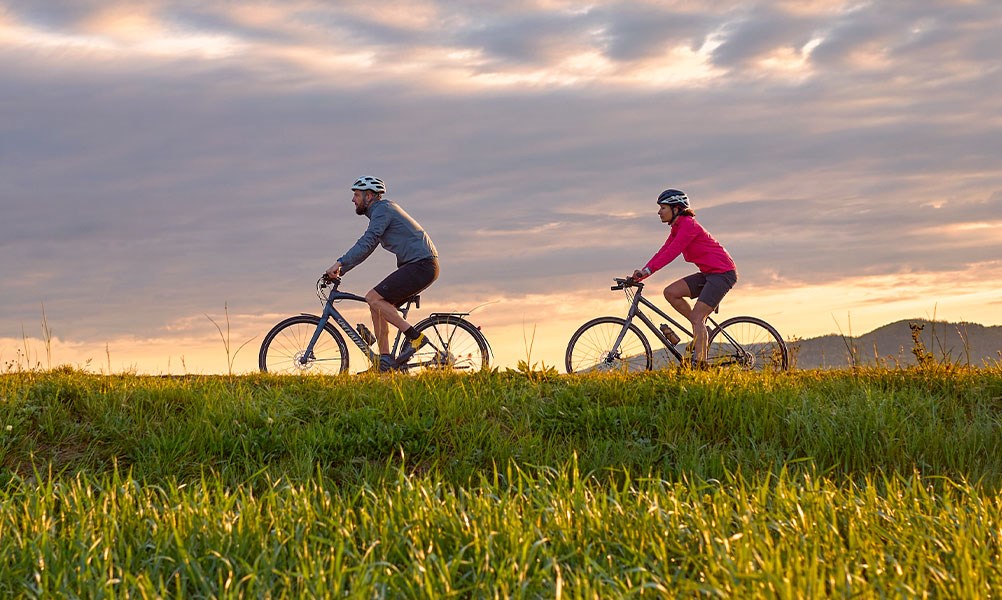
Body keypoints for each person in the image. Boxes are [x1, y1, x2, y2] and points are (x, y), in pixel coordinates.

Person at [326, 176, 439, 372]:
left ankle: (416, 337)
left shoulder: (382, 210)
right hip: (418, 265)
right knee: (376, 304)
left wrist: (340, 262)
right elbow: (367, 248)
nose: (353, 200)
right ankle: (384, 363)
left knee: (373, 297)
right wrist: (343, 268)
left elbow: (367, 242)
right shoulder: (382, 212)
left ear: (369, 196)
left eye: (356, 195)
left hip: (421, 265)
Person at [631, 189, 737, 368]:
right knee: (671, 293)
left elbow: (671, 253)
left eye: (662, 208)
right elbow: (663, 251)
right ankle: (703, 330)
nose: (659, 212)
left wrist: (647, 271)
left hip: (722, 274)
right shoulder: (677, 227)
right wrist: (642, 274)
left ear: (676, 208)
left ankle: (700, 365)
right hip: (708, 274)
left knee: (697, 317)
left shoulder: (688, 225)